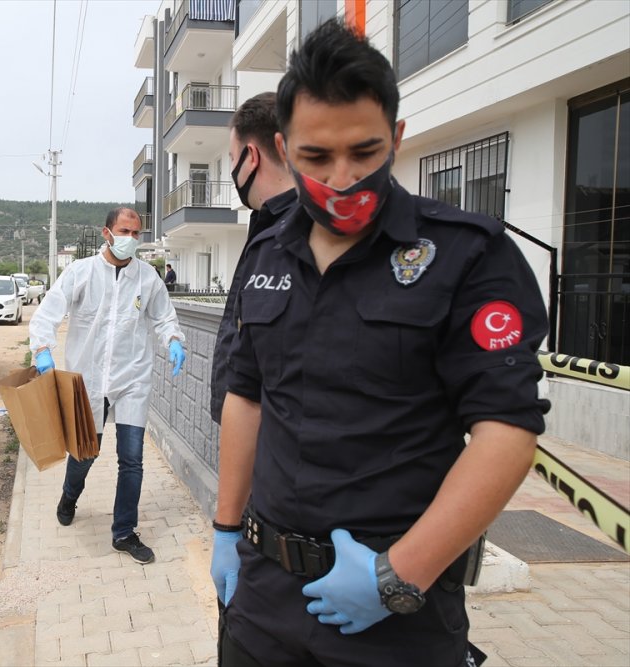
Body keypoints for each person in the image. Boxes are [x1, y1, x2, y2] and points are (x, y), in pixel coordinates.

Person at [211, 19, 549, 667]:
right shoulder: (265, 252)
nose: (342, 179)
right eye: (316, 157)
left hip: (396, 612)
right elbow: (246, 396)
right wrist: (226, 530)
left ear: (396, 137)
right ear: (283, 147)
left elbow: (506, 430)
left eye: (364, 152)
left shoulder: (467, 255)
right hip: (263, 598)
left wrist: (398, 574)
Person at [29, 207, 186, 565]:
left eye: (136, 233)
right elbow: (48, 313)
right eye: (124, 231)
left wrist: (174, 339)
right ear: (107, 233)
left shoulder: (147, 277)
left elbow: (164, 317)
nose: (131, 238)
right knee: (86, 453)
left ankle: (124, 532)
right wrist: (41, 349)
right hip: (89, 380)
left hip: (132, 378)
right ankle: (70, 495)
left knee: (132, 459)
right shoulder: (81, 272)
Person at [210, 92, 299, 425]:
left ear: (251, 157)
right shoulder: (266, 227)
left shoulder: (302, 234)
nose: (233, 171)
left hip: (275, 436)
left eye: (232, 158)